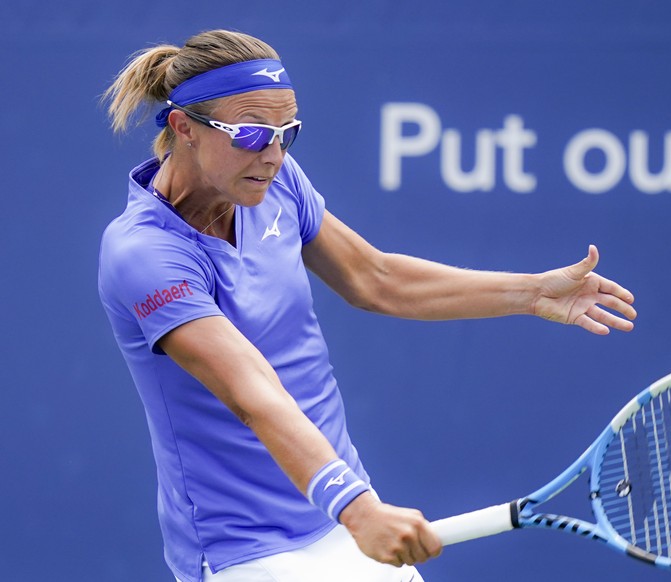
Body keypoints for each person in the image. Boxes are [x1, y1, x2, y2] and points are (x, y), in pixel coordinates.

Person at [98, 29, 637, 582]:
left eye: (288, 133)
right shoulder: (145, 255)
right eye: (253, 133)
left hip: (342, 510)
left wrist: (531, 292)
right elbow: (252, 393)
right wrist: (357, 509)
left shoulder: (269, 180)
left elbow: (374, 278)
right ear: (182, 127)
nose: (274, 155)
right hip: (246, 551)